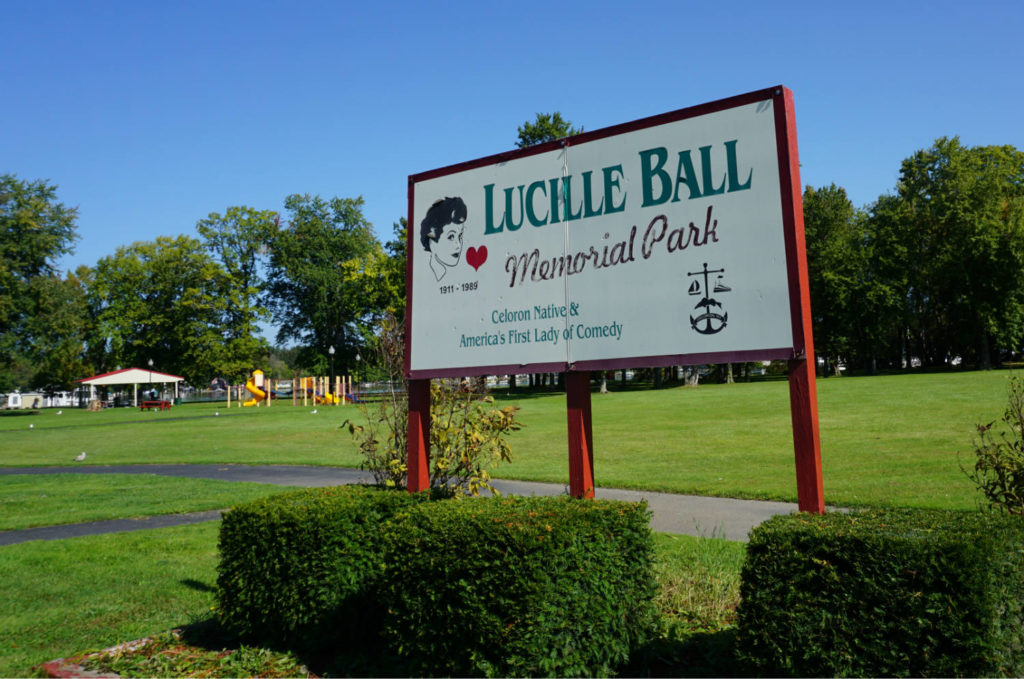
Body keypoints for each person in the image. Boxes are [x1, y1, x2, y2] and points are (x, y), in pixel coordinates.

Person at [420, 196, 466, 281]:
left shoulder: (458, 277)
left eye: (460, 236)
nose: (458, 245)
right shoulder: (424, 280)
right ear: (432, 240)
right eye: (451, 237)